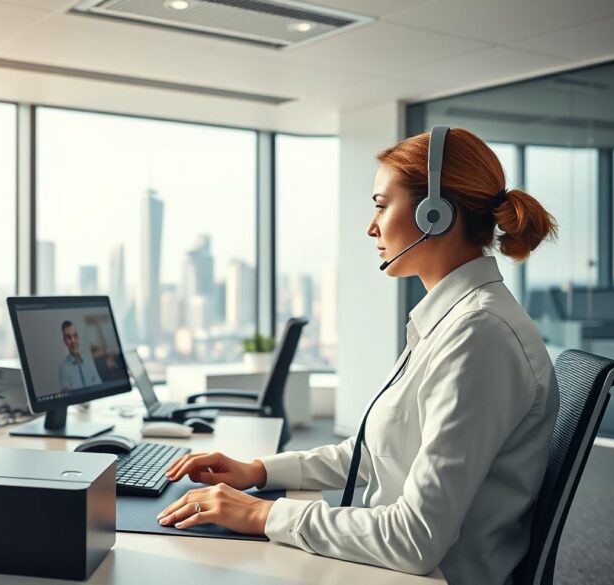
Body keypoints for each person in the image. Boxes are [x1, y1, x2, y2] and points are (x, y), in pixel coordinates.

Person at [159, 128, 560, 585]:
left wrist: (263, 515)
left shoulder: (479, 336)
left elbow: (415, 538)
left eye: (381, 204)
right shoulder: (450, 322)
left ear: (435, 214)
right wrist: (258, 471)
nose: (371, 226)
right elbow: (376, 454)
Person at [57, 320, 102, 391]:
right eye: (69, 337)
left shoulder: (90, 363)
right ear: (64, 341)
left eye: (75, 336)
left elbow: (100, 388)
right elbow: (68, 396)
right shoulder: (63, 368)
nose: (73, 340)